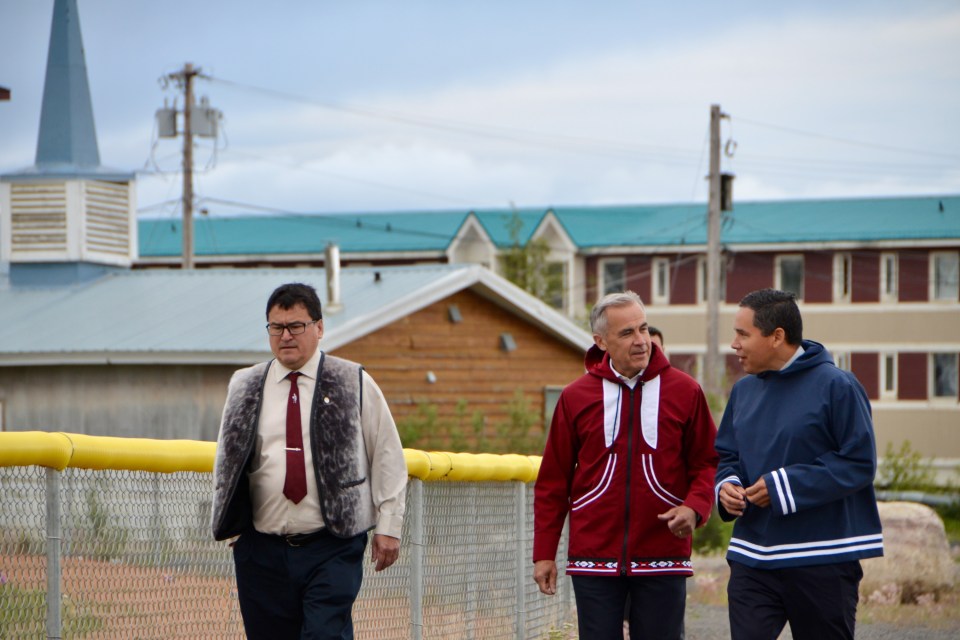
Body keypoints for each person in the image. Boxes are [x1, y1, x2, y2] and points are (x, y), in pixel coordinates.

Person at [211, 282, 407, 640]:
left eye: (296, 326)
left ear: (319, 327)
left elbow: (387, 454)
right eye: (276, 327)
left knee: (324, 634)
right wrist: (233, 525)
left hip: (332, 543)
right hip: (261, 550)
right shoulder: (244, 385)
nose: (286, 336)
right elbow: (228, 459)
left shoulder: (353, 382)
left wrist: (388, 524)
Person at [533, 291, 718, 640]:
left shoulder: (686, 390)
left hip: (664, 556)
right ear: (600, 341)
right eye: (627, 333)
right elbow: (553, 482)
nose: (641, 341)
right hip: (593, 559)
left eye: (643, 329)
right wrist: (544, 553)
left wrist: (695, 508)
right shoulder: (575, 397)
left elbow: (707, 462)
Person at [715, 288, 883, 640]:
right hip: (752, 558)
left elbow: (859, 462)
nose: (734, 344)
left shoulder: (838, 386)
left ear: (777, 336)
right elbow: (727, 455)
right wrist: (725, 485)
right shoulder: (743, 392)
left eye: (743, 334)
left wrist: (782, 486)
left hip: (823, 558)